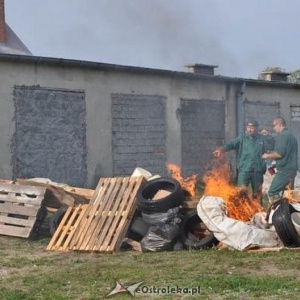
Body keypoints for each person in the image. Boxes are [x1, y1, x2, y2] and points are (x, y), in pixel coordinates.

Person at [213, 120, 271, 204]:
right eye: (248, 128)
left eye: (252, 128)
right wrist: (221, 149)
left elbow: (272, 145)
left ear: (256, 128)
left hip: (257, 170)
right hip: (244, 169)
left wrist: (268, 136)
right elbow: (231, 144)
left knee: (257, 194)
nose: (250, 130)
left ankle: (258, 212)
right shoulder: (242, 138)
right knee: (240, 192)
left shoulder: (262, 139)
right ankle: (240, 210)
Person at [262, 117, 298, 202]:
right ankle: (289, 212)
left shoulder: (282, 136)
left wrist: (267, 155)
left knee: (272, 192)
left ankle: (277, 213)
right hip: (291, 170)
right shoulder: (291, 136)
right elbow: (288, 155)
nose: (273, 128)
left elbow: (279, 154)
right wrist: (274, 165)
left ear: (279, 124)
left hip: (284, 171)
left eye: (274, 126)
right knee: (288, 194)